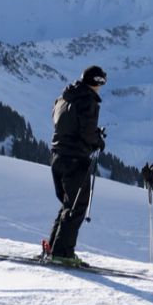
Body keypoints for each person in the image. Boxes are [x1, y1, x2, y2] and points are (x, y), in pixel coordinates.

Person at [45, 65, 107, 265]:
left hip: (57, 156)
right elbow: (87, 133)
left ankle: (55, 248)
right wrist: (98, 140)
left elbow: (62, 122)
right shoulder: (87, 100)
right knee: (77, 205)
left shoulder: (64, 97)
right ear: (97, 82)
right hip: (75, 159)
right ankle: (63, 253)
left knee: (68, 204)